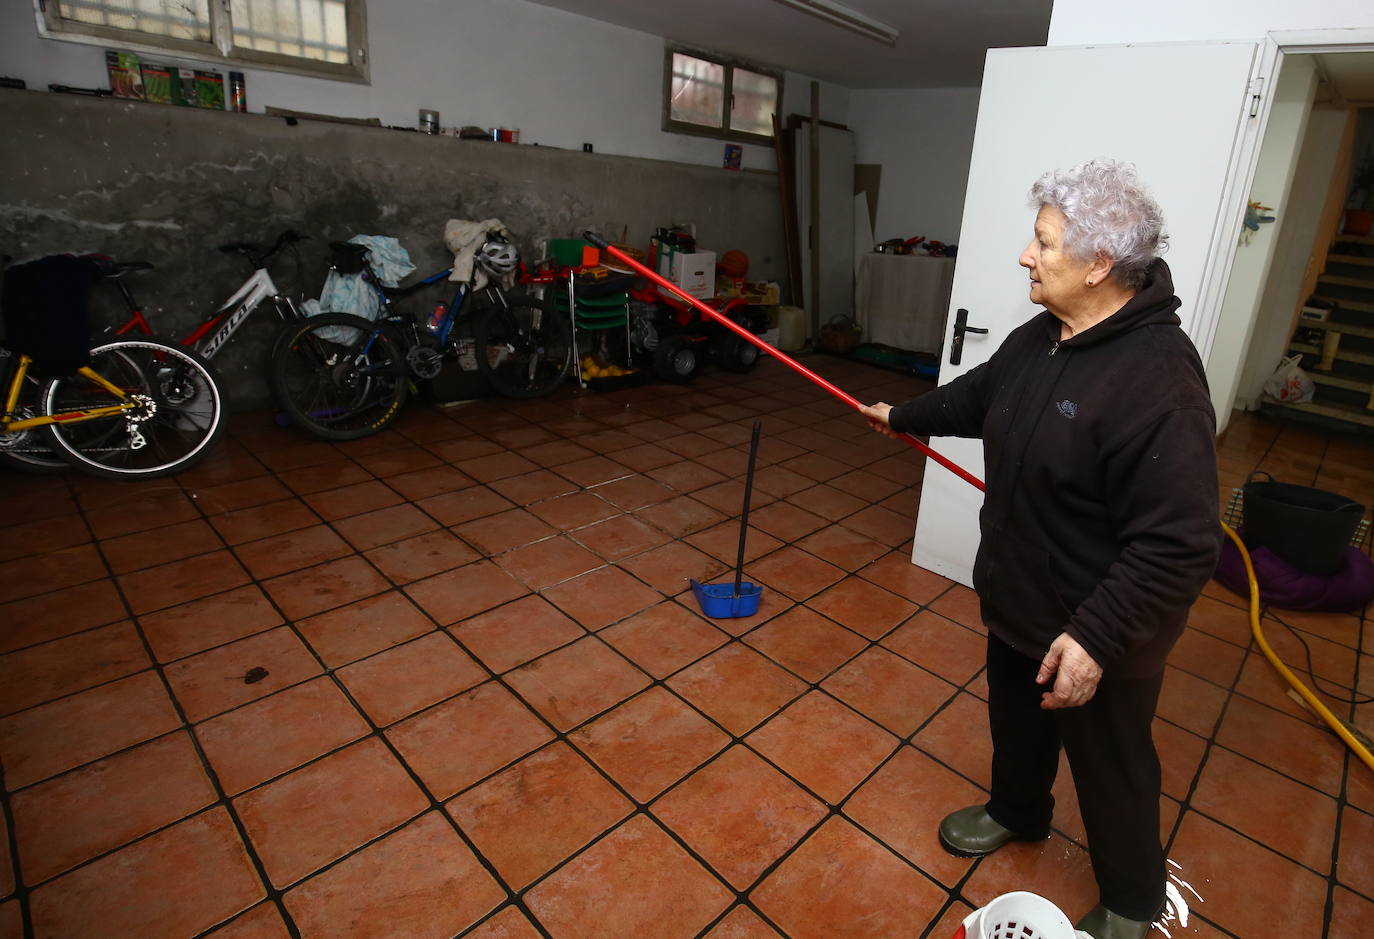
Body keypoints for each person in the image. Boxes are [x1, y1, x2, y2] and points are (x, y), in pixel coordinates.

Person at [859, 159, 1220, 939]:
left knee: (1113, 766)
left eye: (1044, 241)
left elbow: (1181, 542)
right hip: (1022, 597)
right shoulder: (1045, 336)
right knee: (1017, 723)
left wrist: (1095, 636)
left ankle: (1132, 898)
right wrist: (906, 414)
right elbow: (984, 392)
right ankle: (1017, 810)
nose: (1026, 254)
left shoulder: (1159, 380)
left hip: (1102, 626)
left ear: (1098, 263)